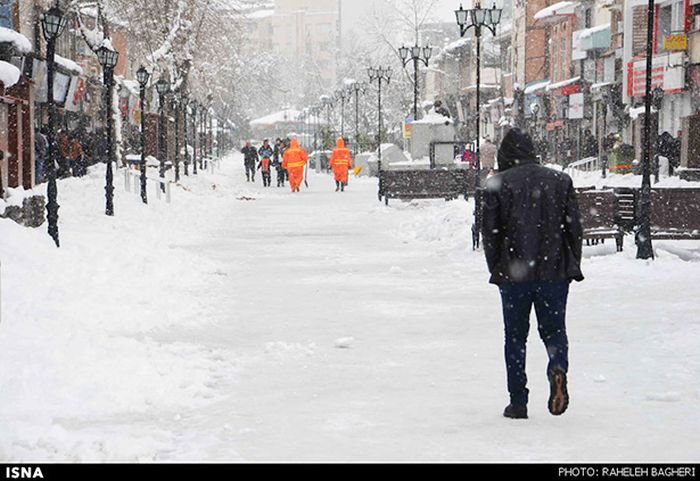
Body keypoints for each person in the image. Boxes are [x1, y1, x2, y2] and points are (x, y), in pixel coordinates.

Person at [482, 127, 584, 420]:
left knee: (515, 337)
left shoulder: (497, 184)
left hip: (514, 276)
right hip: (554, 272)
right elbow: (574, 228)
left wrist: (497, 267)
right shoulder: (560, 180)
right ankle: (557, 367)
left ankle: (518, 402)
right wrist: (569, 263)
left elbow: (490, 234)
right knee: (554, 331)